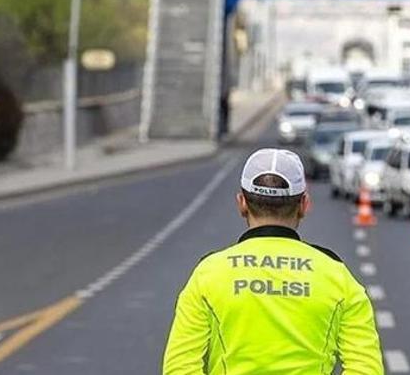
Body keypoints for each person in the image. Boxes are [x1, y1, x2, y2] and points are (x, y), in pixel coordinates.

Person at [162, 148, 384, 374]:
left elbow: (180, 368)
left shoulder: (208, 274)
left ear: (242, 203)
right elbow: (365, 368)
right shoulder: (337, 276)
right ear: (304, 205)